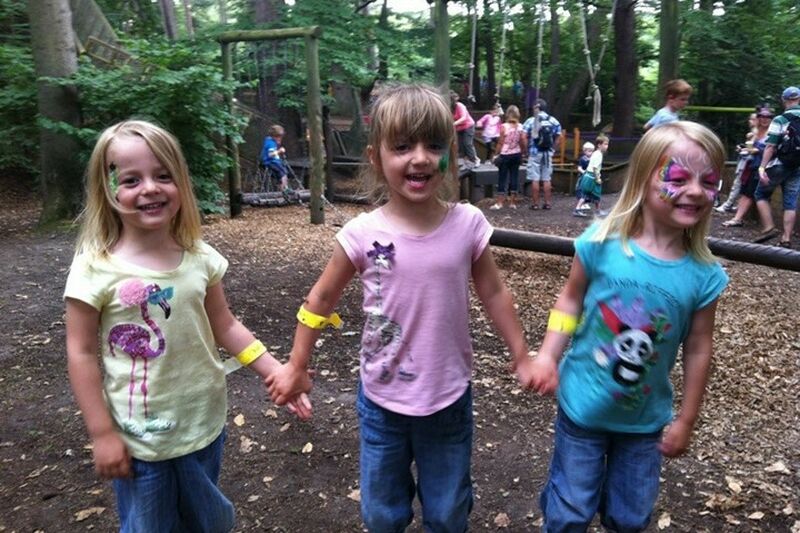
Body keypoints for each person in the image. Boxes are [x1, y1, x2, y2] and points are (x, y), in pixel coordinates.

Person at [265, 83, 536, 532]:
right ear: (376, 158)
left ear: (449, 152)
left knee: (448, 511)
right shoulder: (360, 233)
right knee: (381, 513)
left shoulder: (466, 224)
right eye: (403, 146)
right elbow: (321, 300)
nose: (420, 158)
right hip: (381, 401)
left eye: (433, 145)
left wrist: (522, 354)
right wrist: (296, 364)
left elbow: (493, 292)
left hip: (448, 398)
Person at [64, 120, 312, 531]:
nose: (150, 188)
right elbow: (81, 351)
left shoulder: (200, 257)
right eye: (131, 179)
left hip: (203, 421)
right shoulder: (96, 269)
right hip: (140, 435)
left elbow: (226, 325)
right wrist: (102, 432)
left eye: (163, 175)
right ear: (107, 189)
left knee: (207, 519)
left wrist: (276, 371)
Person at [529, 121, 729, 532]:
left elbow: (698, 347)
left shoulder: (703, 275)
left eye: (708, 181)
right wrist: (548, 354)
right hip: (582, 407)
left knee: (630, 517)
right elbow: (570, 300)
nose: (694, 190)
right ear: (642, 179)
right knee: (569, 513)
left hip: (644, 423)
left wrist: (686, 418)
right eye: (677, 177)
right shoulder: (601, 243)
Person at [754, 86, 800, 247]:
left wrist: (762, 167)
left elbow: (770, 146)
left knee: (760, 194)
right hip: (797, 167)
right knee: (790, 202)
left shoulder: (780, 120)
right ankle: (786, 238)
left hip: (779, 165)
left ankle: (769, 227)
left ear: (783, 100)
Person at [721, 108, 773, 228]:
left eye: (768, 117)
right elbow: (751, 148)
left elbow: (772, 149)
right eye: (762, 117)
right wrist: (744, 149)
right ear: (758, 118)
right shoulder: (755, 132)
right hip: (752, 165)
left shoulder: (772, 132)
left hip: (763, 167)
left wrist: (756, 150)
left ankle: (767, 226)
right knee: (746, 192)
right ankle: (738, 218)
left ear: (771, 119)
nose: (765, 119)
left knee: (753, 194)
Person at [523, 98, 562, 210]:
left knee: (535, 178)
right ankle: (548, 203)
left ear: (536, 107)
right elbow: (559, 137)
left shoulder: (531, 120)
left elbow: (523, 136)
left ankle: (535, 204)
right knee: (546, 178)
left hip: (534, 152)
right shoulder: (553, 121)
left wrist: (526, 150)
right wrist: (553, 149)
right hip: (547, 153)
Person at [490, 105, 527, 210]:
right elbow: (522, 140)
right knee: (514, 177)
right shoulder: (520, 126)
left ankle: (500, 203)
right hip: (516, 154)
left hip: (505, 154)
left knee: (502, 177)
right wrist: (524, 151)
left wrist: (496, 154)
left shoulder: (504, 126)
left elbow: (500, 142)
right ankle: (512, 202)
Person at [574, 134, 610, 216]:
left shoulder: (596, 153)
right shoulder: (598, 154)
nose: (606, 146)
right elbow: (595, 168)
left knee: (596, 194)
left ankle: (597, 210)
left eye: (607, 144)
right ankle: (577, 209)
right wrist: (597, 178)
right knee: (586, 194)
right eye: (605, 144)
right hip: (592, 177)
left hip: (589, 176)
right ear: (599, 145)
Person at [449, 90, 479, 165]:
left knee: (467, 143)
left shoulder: (460, 106)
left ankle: (475, 159)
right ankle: (465, 160)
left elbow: (464, 118)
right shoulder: (450, 109)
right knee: (460, 145)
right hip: (459, 128)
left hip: (468, 126)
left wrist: (453, 124)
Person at [260, 124, 290, 192]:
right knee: (283, 172)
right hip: (270, 162)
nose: (280, 138)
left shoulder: (271, 141)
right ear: (275, 136)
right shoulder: (270, 143)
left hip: (274, 161)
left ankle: (282, 189)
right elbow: (270, 154)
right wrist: (279, 151)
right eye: (279, 137)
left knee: (281, 173)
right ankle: (285, 189)